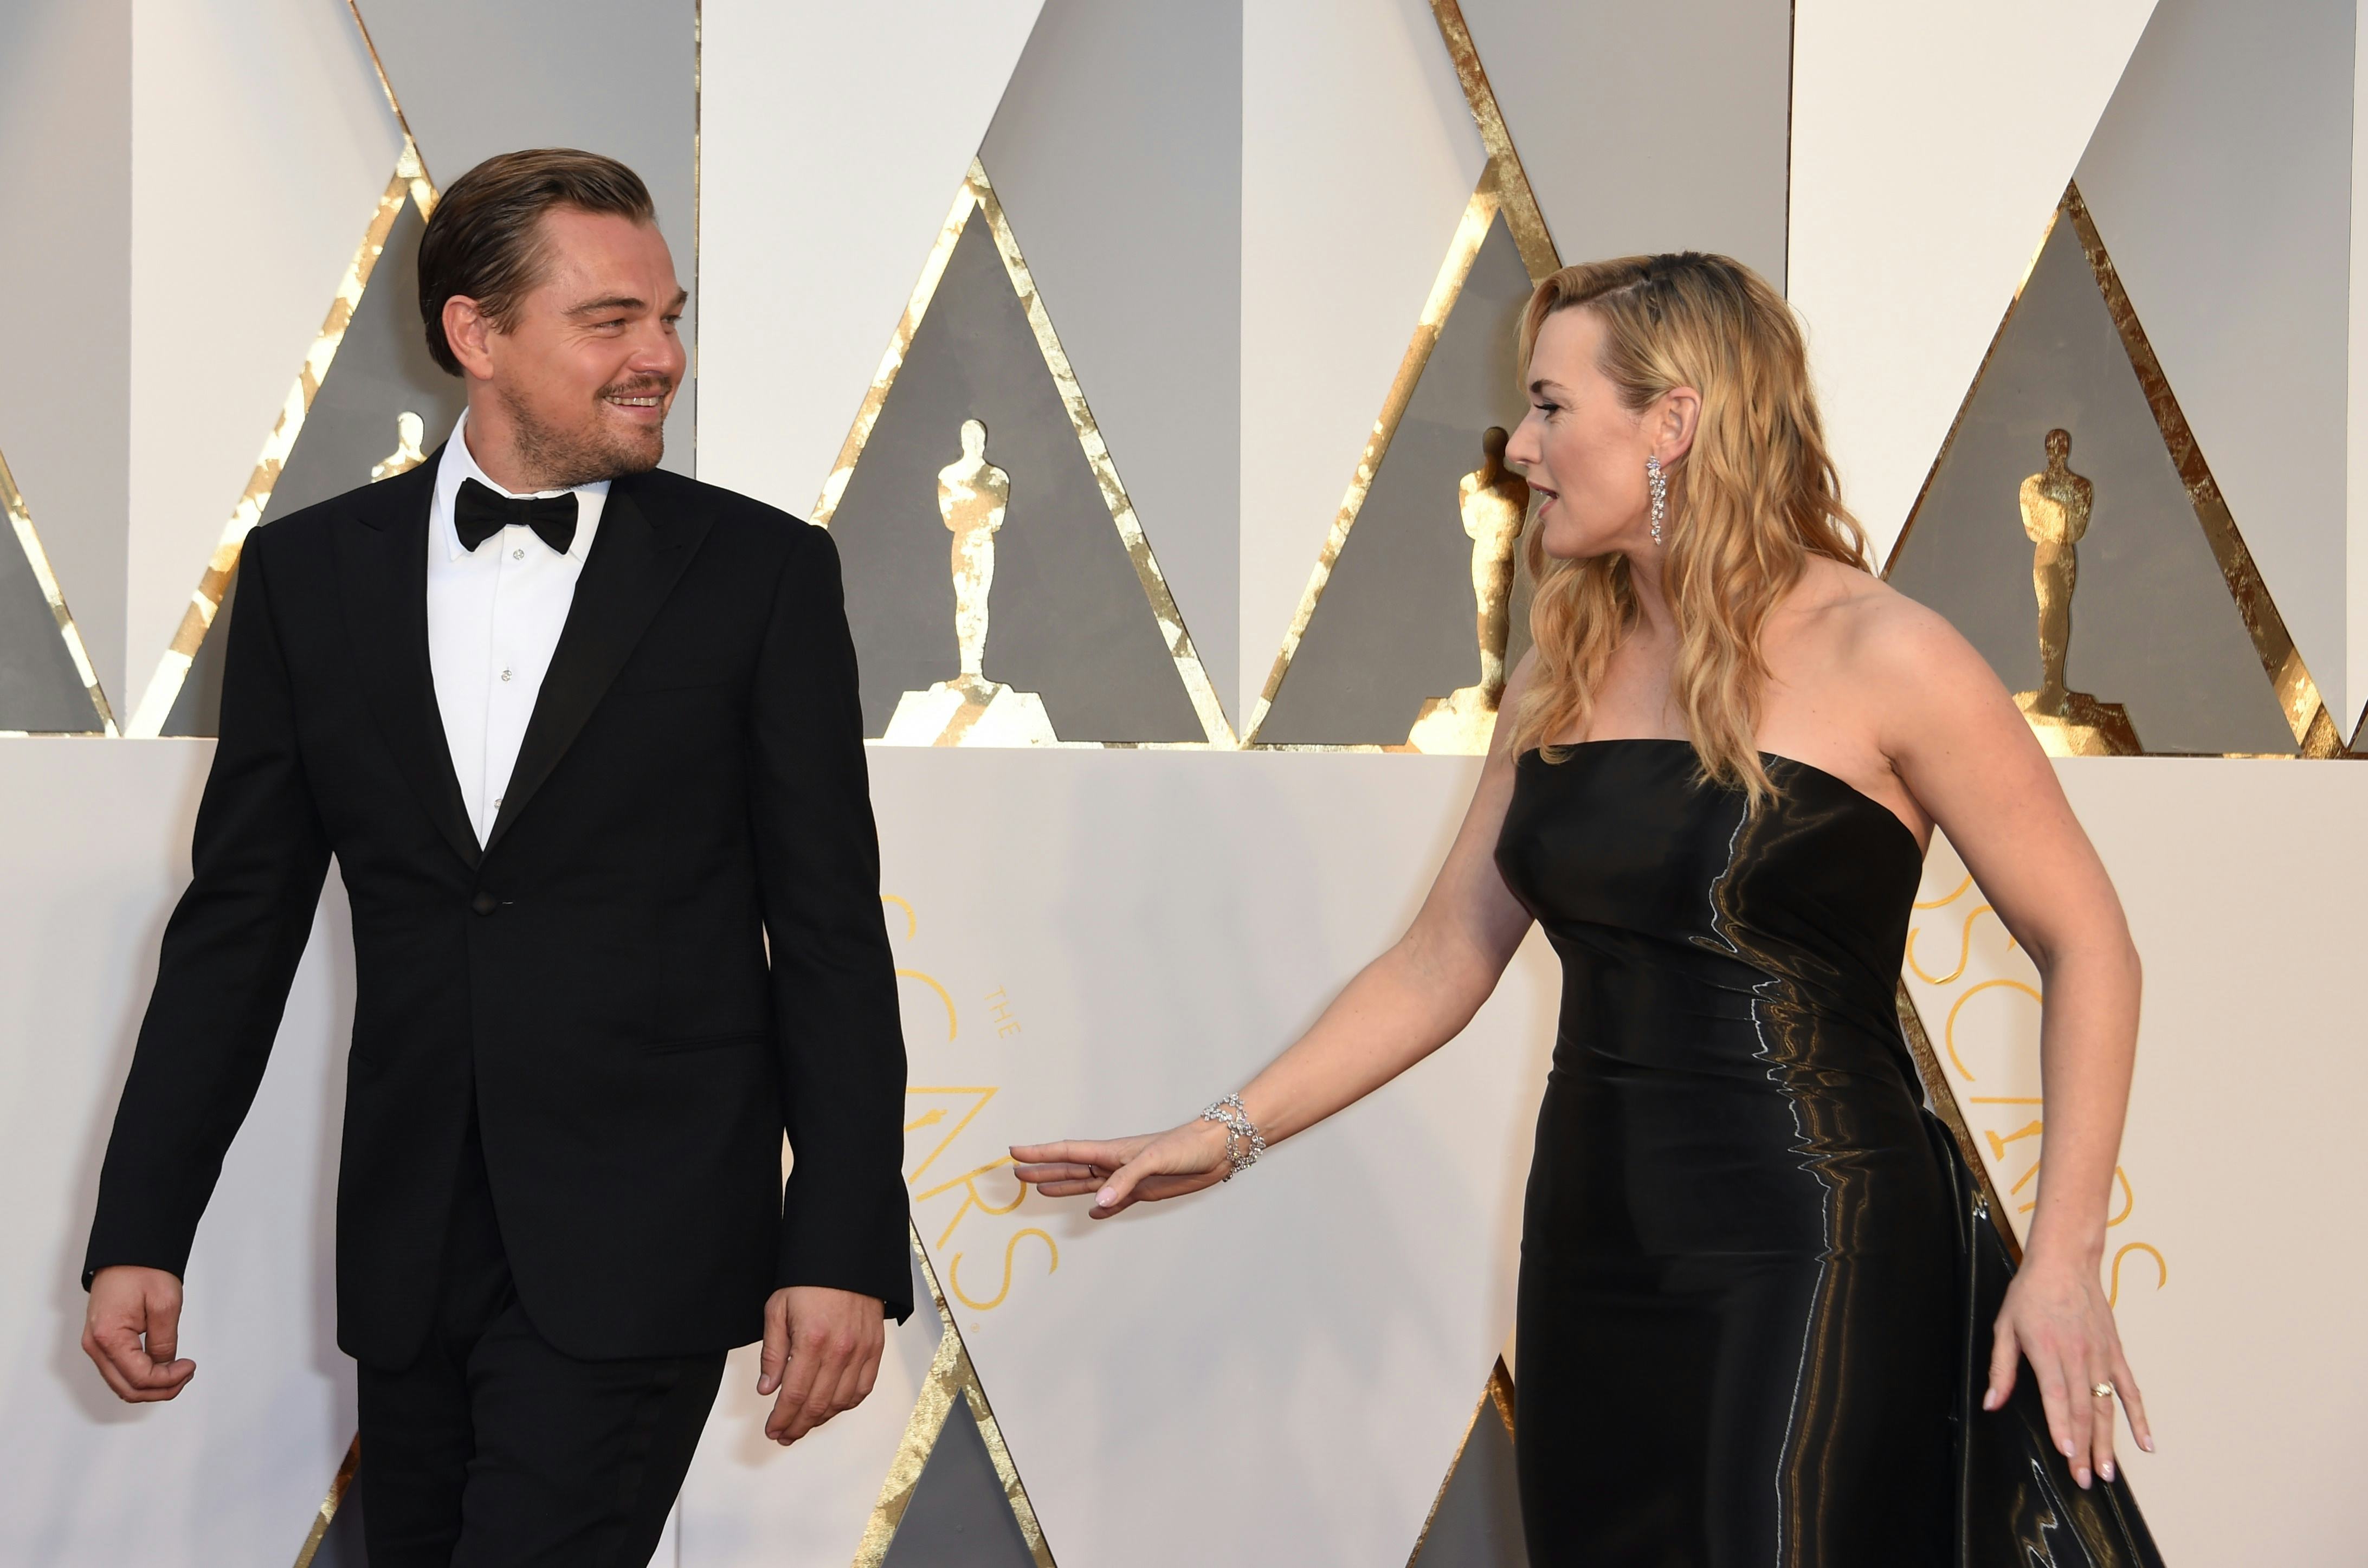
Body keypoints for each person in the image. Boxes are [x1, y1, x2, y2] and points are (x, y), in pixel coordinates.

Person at [1013, 253, 2159, 1564]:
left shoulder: (1886, 650)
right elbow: (1447, 954)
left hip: (1811, 1237)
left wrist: (2062, 1255)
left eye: (1552, 406)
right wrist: (1224, 1134)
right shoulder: (1563, 663)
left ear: (1671, 420)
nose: (1518, 446)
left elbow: (2090, 941)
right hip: (1590, 1241)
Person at [80, 149, 911, 1567]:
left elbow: (828, 929)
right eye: (610, 321)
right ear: (475, 332)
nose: (661, 357)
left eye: (668, 317)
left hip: (643, 1238)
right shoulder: (306, 575)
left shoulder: (760, 574)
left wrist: (839, 1239)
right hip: (410, 1251)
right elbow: (238, 926)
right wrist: (140, 1226)